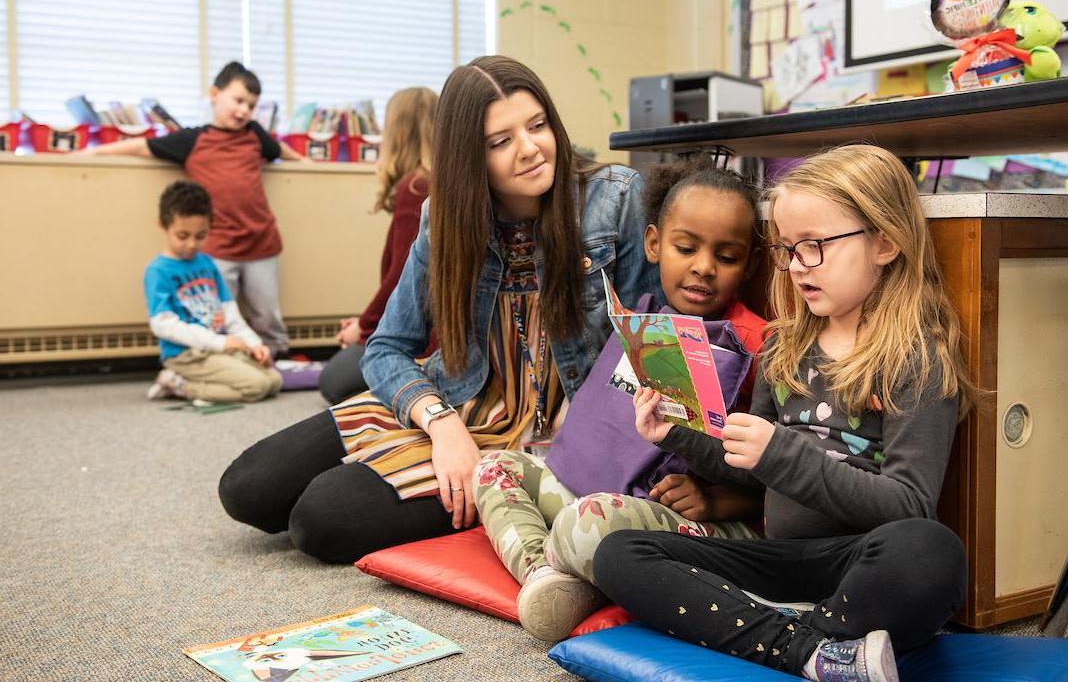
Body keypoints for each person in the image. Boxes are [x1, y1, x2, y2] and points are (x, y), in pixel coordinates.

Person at [217, 55, 657, 564]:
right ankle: (427, 456)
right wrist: (442, 425)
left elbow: (646, 349)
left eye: (537, 126)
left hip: (551, 433)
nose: (531, 148)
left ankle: (481, 490)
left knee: (320, 521)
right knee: (248, 487)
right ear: (468, 156)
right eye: (501, 141)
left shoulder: (616, 198)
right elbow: (385, 348)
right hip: (457, 401)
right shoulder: (444, 216)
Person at [593, 144, 974, 682]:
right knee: (620, 554)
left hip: (860, 562)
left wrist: (781, 450)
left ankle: (781, 636)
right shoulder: (786, 345)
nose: (797, 266)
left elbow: (909, 504)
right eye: (789, 249)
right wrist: (678, 434)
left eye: (814, 247)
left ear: (885, 242)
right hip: (779, 560)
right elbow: (750, 462)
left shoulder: (917, 357)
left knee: (930, 550)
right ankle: (815, 652)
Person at [472, 158, 768, 642]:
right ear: (654, 243)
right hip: (590, 494)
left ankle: (582, 574)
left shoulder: (757, 345)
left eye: (727, 256)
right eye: (685, 247)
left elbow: (783, 474)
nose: (703, 267)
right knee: (495, 467)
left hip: (669, 522)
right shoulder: (641, 317)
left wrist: (719, 501)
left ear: (751, 262)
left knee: (587, 524)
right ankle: (547, 576)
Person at [91, 61, 306, 357]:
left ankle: (276, 357)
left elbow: (277, 149)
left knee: (266, 312)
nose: (244, 110)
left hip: (261, 242)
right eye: (239, 100)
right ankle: (227, 361)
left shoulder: (255, 134)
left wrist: (304, 162)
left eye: (251, 105)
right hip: (217, 247)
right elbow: (143, 146)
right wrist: (92, 152)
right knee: (217, 315)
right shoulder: (192, 139)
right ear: (215, 94)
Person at [319, 86, 438, 405]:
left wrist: (364, 327)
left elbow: (403, 277)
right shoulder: (433, 183)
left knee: (334, 379)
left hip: (427, 344)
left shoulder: (415, 187)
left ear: (397, 134)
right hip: (434, 331)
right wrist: (366, 321)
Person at [144, 181, 282, 403]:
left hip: (216, 349)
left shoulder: (207, 263)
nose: (191, 244)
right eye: (182, 235)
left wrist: (255, 345)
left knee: (274, 380)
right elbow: (163, 324)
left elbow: (229, 313)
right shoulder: (157, 270)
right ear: (163, 225)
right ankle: (177, 384)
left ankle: (189, 382)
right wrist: (219, 343)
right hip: (187, 355)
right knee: (257, 386)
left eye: (200, 236)